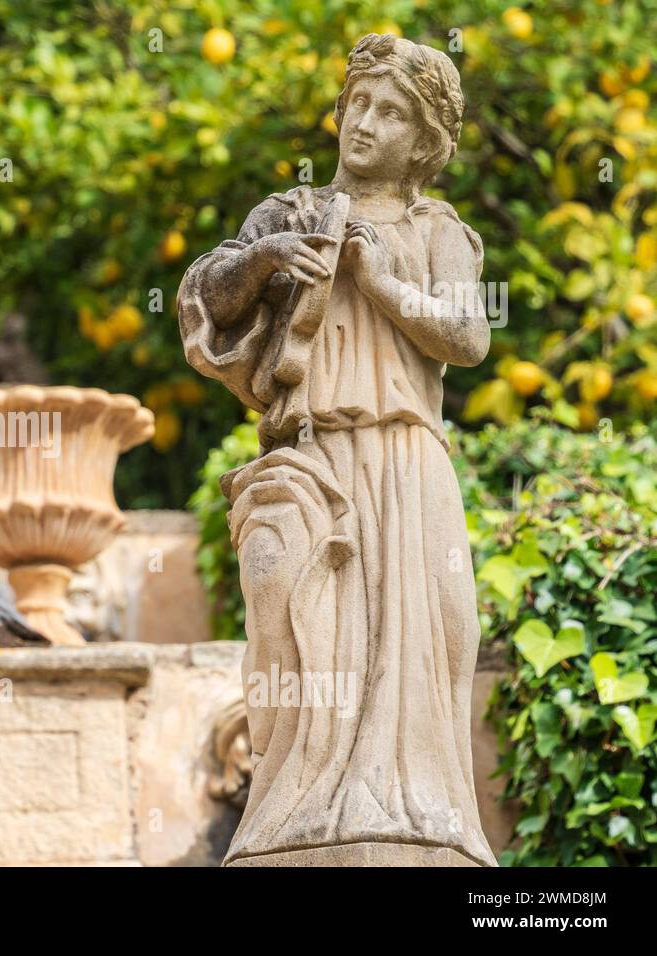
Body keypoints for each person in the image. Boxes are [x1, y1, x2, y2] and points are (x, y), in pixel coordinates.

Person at [178, 33, 497, 866]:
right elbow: (207, 299)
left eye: (391, 113)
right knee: (304, 633)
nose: (365, 122)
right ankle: (295, 816)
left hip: (408, 459)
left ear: (424, 142)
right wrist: (261, 263)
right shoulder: (289, 213)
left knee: (432, 635)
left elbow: (468, 337)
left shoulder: (439, 229)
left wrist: (381, 279)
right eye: (358, 103)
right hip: (312, 460)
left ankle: (425, 817)